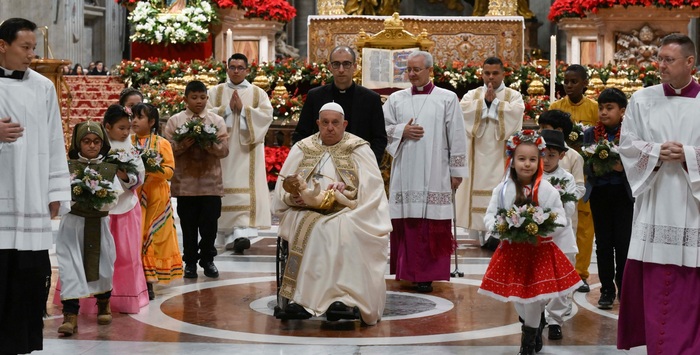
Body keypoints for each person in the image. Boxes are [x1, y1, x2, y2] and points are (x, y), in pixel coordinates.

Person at [271, 102, 391, 325]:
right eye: (324, 123)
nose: (330, 128)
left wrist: (347, 194)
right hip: (305, 210)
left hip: (347, 210)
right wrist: (293, 197)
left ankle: (344, 299)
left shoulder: (358, 148)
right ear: (317, 123)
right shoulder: (303, 147)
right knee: (310, 227)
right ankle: (301, 300)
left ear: (344, 124)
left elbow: (373, 191)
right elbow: (283, 188)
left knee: (343, 229)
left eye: (335, 123)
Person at [617, 33, 700, 354]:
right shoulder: (642, 99)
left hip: (692, 206)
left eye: (668, 60)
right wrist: (653, 152)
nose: (660, 65)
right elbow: (627, 144)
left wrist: (690, 155)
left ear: (690, 62)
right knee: (655, 280)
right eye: (659, 59)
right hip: (654, 201)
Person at [0, 17, 71, 353]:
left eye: (33, 48)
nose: (32, 55)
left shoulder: (42, 86)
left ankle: (21, 342)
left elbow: (55, 141)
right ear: (3, 46)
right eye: (25, 47)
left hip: (30, 197)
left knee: (27, 275)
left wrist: (55, 191)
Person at [479, 130, 581, 355]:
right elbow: (490, 216)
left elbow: (561, 217)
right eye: (522, 159)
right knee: (519, 299)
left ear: (540, 161)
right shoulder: (503, 189)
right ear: (512, 161)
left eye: (533, 159)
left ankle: (527, 343)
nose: (527, 164)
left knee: (534, 298)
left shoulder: (546, 189)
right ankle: (532, 328)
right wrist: (500, 227)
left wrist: (543, 226)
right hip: (513, 252)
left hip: (539, 252)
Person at [383, 50, 467, 293]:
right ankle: (406, 270)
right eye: (408, 69)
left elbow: (457, 135)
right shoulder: (396, 99)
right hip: (406, 170)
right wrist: (402, 131)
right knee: (407, 221)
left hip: (435, 170)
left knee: (432, 222)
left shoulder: (447, 98)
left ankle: (428, 274)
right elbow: (383, 128)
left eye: (416, 69)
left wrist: (456, 170)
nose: (411, 74)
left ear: (430, 70)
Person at [55, 121, 123, 336]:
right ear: (78, 143)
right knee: (69, 267)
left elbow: (116, 197)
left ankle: (103, 304)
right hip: (73, 225)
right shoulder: (67, 167)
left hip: (99, 224)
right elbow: (59, 193)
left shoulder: (109, 168)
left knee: (104, 264)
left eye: (96, 142)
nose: (91, 146)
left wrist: (100, 199)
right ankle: (70, 316)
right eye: (86, 141)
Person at [207, 53, 273, 253]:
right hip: (222, 151)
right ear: (227, 69)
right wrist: (227, 110)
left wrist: (244, 111)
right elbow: (205, 115)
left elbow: (266, 116)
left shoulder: (257, 93)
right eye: (232, 67)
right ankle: (224, 233)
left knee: (245, 188)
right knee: (224, 188)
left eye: (240, 67)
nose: (236, 71)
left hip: (247, 149)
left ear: (247, 70)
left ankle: (242, 234)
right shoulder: (215, 92)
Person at [456, 56, 524, 247]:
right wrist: (484, 104)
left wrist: (494, 104)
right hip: (477, 155)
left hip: (501, 154)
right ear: (482, 74)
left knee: (500, 191)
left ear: (503, 73)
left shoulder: (513, 96)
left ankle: (499, 232)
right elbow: (463, 112)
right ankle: (480, 233)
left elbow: (516, 113)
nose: (490, 78)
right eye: (487, 73)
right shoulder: (473, 95)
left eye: (495, 73)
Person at [164, 80, 229, 279]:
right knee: (189, 225)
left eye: (202, 97)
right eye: (194, 97)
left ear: (207, 99)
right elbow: (167, 150)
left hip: (210, 183)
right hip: (186, 184)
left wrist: (208, 145)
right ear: (185, 99)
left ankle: (208, 260)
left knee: (210, 225)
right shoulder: (175, 121)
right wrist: (183, 145)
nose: (199, 101)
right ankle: (190, 262)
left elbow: (224, 150)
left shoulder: (216, 121)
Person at [548, 64, 598, 293]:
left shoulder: (594, 109)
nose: (569, 85)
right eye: (566, 81)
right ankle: (557, 270)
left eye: (574, 81)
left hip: (585, 172)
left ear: (585, 83)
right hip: (559, 171)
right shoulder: (556, 107)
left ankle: (581, 273)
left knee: (584, 226)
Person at [582, 87, 633, 310]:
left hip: (623, 194)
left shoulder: (631, 133)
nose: (603, 112)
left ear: (622, 111)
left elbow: (636, 163)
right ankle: (606, 290)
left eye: (609, 108)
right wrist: (596, 165)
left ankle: (623, 286)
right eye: (601, 107)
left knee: (623, 244)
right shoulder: (590, 134)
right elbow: (586, 162)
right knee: (603, 244)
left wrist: (622, 166)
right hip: (600, 193)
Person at [292, 45, 387, 163]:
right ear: (330, 67)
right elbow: (301, 134)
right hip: (321, 163)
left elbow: (379, 138)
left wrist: (369, 163)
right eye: (336, 64)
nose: (341, 69)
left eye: (346, 64)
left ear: (355, 67)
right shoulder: (315, 96)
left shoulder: (371, 99)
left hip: (358, 163)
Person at [131, 103, 183, 292]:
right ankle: (136, 277)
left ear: (151, 122)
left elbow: (169, 171)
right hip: (134, 196)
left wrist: (153, 169)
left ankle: (150, 280)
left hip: (157, 197)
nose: (134, 121)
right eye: (133, 117)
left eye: (139, 117)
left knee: (154, 234)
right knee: (136, 235)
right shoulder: (128, 142)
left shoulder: (162, 143)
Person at [540, 129, 582, 341]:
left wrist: (547, 216)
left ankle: (555, 319)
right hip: (536, 237)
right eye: (543, 154)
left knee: (561, 279)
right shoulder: (529, 174)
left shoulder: (566, 179)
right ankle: (536, 317)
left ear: (562, 156)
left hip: (561, 236)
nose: (546, 160)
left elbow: (569, 209)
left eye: (551, 155)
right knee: (537, 277)